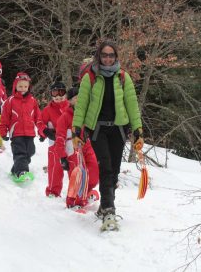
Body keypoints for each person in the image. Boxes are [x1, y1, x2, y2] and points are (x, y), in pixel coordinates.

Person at [72, 40, 143, 227]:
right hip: (98, 129)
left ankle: (104, 205)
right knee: (106, 167)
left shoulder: (123, 77)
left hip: (119, 129)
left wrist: (138, 130)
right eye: (104, 55)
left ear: (116, 57)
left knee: (114, 171)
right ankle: (109, 210)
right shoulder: (90, 77)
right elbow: (81, 106)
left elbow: (132, 105)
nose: (108, 58)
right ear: (99, 56)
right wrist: (77, 130)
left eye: (111, 55)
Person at [55, 87, 99, 210]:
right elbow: (59, 138)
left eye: (81, 97)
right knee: (78, 174)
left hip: (88, 146)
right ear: (69, 101)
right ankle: (73, 201)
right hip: (73, 148)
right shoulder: (65, 117)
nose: (79, 100)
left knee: (94, 173)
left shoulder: (88, 114)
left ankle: (86, 193)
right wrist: (62, 156)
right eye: (76, 98)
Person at [0, 72, 45, 180]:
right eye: (20, 86)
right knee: (20, 153)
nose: (23, 88)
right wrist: (3, 131)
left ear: (28, 87)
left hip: (29, 132)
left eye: (25, 86)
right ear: (15, 86)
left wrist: (42, 131)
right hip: (16, 133)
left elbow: (38, 117)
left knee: (30, 152)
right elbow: (4, 117)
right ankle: (22, 172)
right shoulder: (10, 101)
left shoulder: (32, 101)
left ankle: (15, 169)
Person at [41, 81, 69, 197]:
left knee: (74, 167)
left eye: (61, 92)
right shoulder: (48, 109)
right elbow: (40, 122)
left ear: (65, 93)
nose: (58, 96)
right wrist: (45, 131)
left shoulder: (70, 107)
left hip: (70, 141)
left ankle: (77, 192)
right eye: (54, 92)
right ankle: (53, 191)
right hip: (55, 142)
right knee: (55, 167)